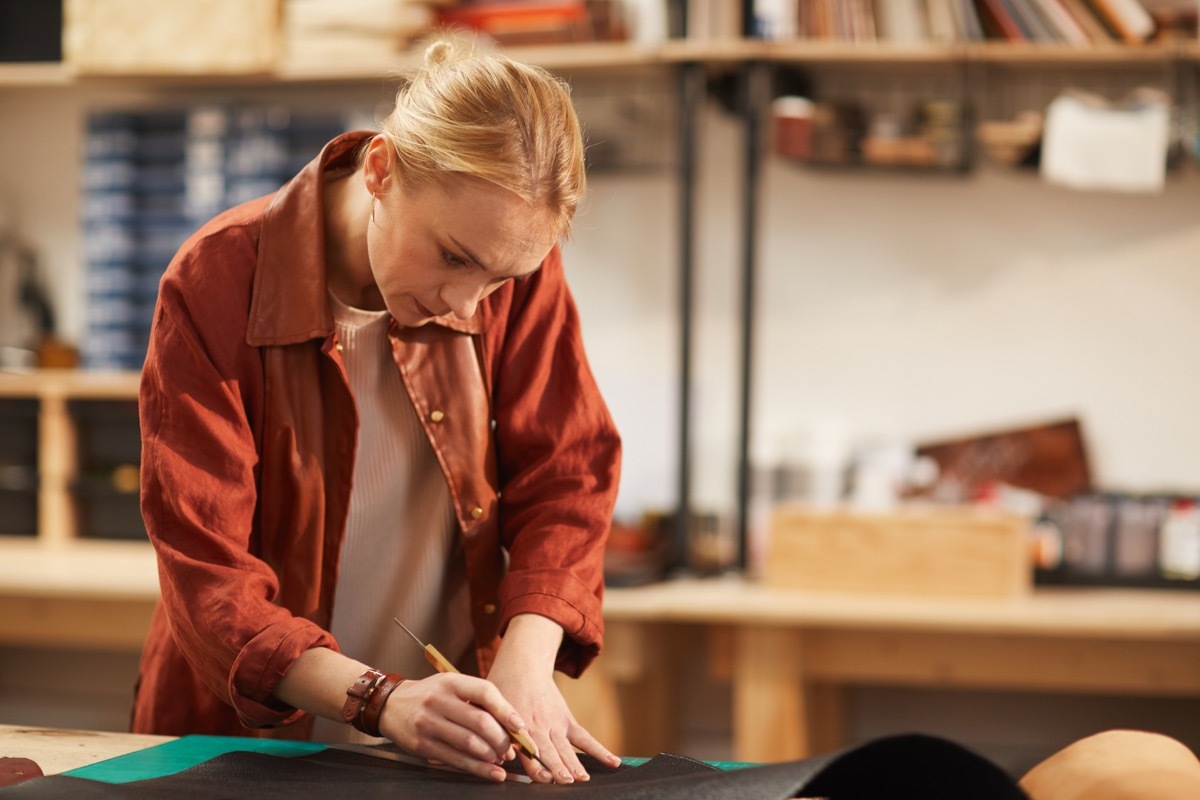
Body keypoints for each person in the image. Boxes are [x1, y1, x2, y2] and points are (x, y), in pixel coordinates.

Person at [131, 35, 622, 786]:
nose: (468, 304)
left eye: (501, 279)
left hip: (447, 746)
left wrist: (525, 662)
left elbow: (569, 472)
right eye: (453, 258)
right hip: (246, 745)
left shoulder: (507, 256)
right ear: (381, 170)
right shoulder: (216, 279)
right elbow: (208, 574)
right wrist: (379, 699)